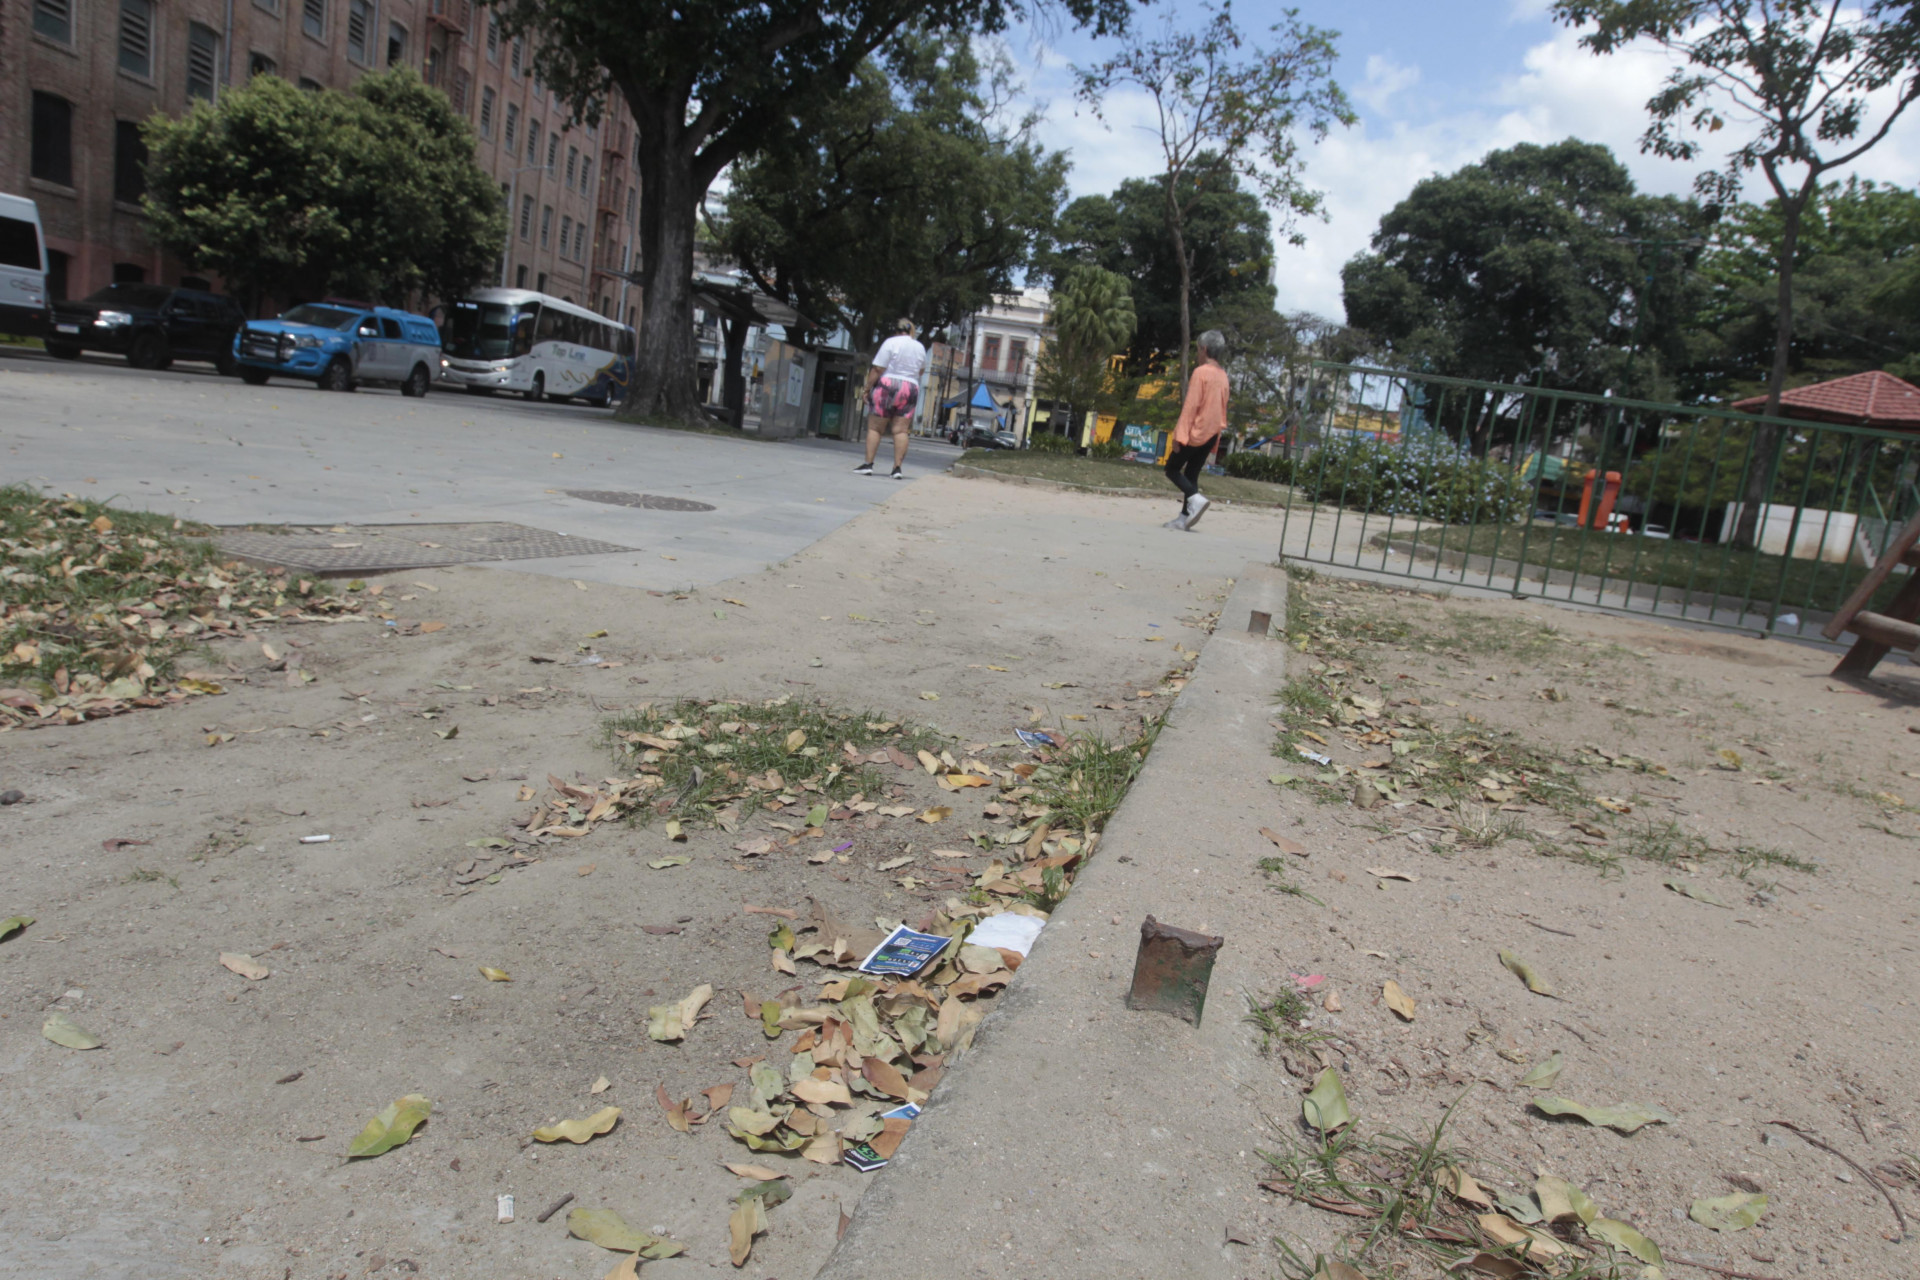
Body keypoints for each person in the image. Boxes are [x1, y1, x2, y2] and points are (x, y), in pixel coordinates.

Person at [1165, 329, 1230, 530]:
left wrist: (1179, 435)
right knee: (1192, 473)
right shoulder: (1224, 376)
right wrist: (1216, 440)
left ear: (1204, 349)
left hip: (1197, 431)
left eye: (1198, 350)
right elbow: (1222, 408)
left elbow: (1191, 406)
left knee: (1172, 469)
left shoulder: (1201, 372)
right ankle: (1184, 517)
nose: (1197, 354)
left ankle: (1195, 499)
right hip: (1212, 433)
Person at [854, 319, 927, 479]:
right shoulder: (920, 347)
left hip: (888, 385)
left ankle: (868, 464)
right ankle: (897, 468)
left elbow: (878, 368)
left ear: (896, 330)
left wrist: (867, 389)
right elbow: (921, 371)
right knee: (901, 430)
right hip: (910, 387)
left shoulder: (890, 343)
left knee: (875, 428)